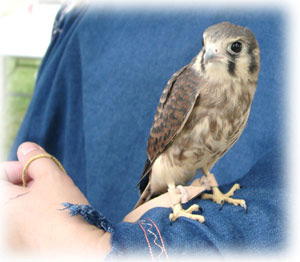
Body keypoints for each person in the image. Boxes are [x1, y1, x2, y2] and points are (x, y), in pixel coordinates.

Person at [4, 2, 285, 260]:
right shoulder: (189, 85)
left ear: (252, 55)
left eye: (232, 48)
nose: (212, 53)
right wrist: (172, 197)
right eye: (207, 46)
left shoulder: (245, 87)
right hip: (166, 169)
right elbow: (162, 147)